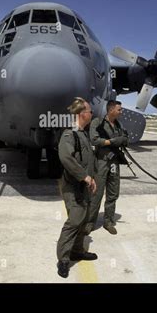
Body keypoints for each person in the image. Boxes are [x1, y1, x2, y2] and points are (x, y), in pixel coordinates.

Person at [56, 97, 97, 278]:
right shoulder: (70, 134)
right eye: (89, 111)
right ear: (82, 114)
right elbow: (66, 158)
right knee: (74, 221)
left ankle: (77, 251)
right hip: (73, 186)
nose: (91, 113)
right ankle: (63, 259)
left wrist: (91, 178)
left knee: (83, 219)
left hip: (84, 185)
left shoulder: (83, 133)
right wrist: (85, 177)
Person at [85, 100, 128, 235]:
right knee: (96, 193)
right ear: (111, 110)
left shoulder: (119, 125)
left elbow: (125, 138)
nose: (121, 112)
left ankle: (108, 221)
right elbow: (94, 139)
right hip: (101, 162)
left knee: (113, 193)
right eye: (119, 109)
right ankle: (90, 222)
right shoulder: (98, 123)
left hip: (114, 162)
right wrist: (110, 141)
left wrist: (122, 140)